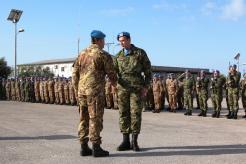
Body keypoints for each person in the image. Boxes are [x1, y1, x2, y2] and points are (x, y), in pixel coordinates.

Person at [72, 30, 116, 157]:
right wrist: (115, 86)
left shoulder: (81, 54)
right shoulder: (103, 55)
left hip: (82, 92)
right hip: (95, 93)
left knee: (83, 118)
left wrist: (77, 90)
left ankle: (84, 147)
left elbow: (74, 74)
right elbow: (111, 74)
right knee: (95, 118)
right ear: (97, 40)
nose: (104, 43)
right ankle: (96, 147)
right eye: (103, 40)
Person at [114, 32, 152, 151]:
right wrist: (114, 85)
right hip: (122, 89)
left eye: (124, 40)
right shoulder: (118, 55)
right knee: (123, 114)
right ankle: (125, 141)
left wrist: (145, 87)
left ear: (129, 40)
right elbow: (114, 73)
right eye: (120, 41)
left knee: (135, 114)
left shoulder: (140, 53)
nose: (122, 43)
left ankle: (134, 141)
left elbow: (148, 72)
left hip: (137, 89)